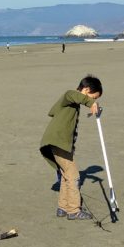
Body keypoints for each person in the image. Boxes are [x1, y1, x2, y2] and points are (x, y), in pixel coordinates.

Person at [40, 74, 102, 220]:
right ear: (86, 90)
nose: (94, 101)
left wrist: (93, 176)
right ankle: (73, 210)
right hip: (57, 142)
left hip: (59, 144)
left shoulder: (72, 105)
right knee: (73, 176)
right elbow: (71, 94)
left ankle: (62, 207)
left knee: (65, 176)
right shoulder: (70, 97)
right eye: (94, 97)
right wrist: (90, 103)